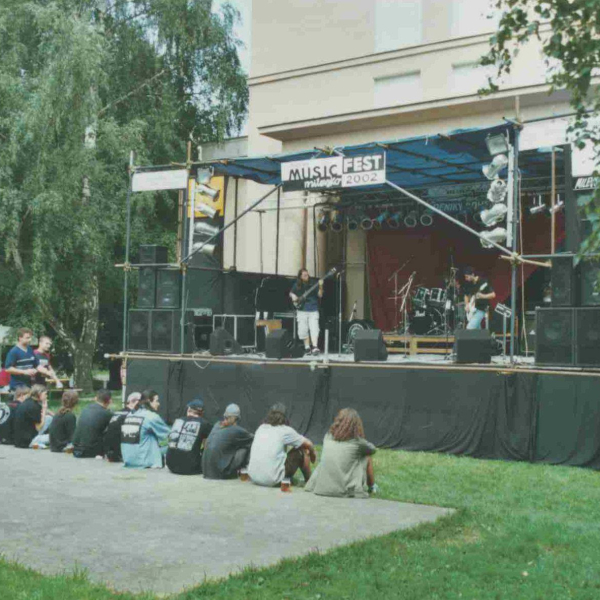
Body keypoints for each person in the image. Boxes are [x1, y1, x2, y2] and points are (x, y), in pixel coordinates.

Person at [305, 408, 377, 498]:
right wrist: (359, 437)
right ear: (356, 426)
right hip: (344, 491)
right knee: (366, 456)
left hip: (321, 488)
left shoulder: (327, 437)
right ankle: (372, 487)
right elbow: (373, 449)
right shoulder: (358, 442)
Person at [247, 403, 316, 488]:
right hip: (272, 480)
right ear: (285, 417)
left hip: (253, 477)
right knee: (303, 449)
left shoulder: (260, 428)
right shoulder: (285, 430)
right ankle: (310, 482)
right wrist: (313, 454)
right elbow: (308, 444)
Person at [202, 403, 254, 480]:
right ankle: (247, 470)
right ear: (237, 418)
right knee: (245, 447)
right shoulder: (236, 429)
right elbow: (254, 438)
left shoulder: (217, 425)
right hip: (220, 474)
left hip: (205, 472)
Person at [121, 389, 170, 469]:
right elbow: (169, 435)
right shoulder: (151, 416)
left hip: (128, 459)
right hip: (145, 461)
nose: (158, 403)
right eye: (156, 401)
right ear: (148, 401)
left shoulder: (130, 415)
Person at [166, 398, 213, 475]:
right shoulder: (204, 423)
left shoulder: (177, 420)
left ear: (188, 410)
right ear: (202, 413)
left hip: (170, 465)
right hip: (190, 468)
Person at [289, 268, 324, 355]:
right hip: (302, 310)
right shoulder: (297, 285)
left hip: (313, 309)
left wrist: (320, 286)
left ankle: (315, 347)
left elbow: (320, 295)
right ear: (300, 276)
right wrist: (293, 296)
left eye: (307, 275)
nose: (306, 276)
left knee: (314, 329)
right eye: (304, 275)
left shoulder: (313, 283)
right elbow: (291, 293)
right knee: (302, 330)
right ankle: (307, 348)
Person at [72, 389, 113, 458]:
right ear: (109, 401)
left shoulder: (86, 408)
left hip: (76, 448)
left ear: (95, 398)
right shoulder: (107, 413)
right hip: (91, 450)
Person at [103, 391, 141, 462]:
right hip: (120, 453)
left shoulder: (117, 413)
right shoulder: (132, 416)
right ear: (136, 402)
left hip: (108, 452)